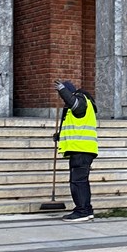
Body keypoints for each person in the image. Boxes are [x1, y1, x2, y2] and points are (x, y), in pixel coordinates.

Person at [53, 80, 98, 222]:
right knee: (81, 182)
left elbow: (76, 106)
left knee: (77, 182)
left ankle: (81, 211)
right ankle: (86, 209)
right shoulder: (81, 103)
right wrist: (60, 135)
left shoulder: (81, 100)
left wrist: (62, 90)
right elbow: (76, 126)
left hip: (81, 150)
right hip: (82, 149)